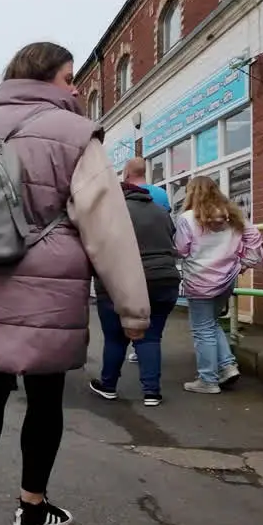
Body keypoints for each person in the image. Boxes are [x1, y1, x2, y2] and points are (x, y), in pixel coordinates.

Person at [0, 42, 150, 525]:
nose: (76, 88)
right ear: (49, 81)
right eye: (68, 77)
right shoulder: (76, 134)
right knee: (45, 397)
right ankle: (32, 509)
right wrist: (133, 309)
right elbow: (106, 227)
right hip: (45, 286)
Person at [88, 171, 181, 406]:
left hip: (119, 282)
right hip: (164, 279)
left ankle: (108, 385)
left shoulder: (110, 212)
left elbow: (95, 247)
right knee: (150, 337)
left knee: (116, 337)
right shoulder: (162, 212)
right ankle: (151, 392)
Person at [173, 176, 262, 394]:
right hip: (227, 279)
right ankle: (227, 366)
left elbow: (181, 250)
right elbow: (255, 238)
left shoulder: (187, 218)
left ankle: (208, 379)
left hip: (199, 281)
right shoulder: (233, 216)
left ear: (192, 193)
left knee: (202, 329)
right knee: (211, 323)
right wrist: (244, 264)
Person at [120, 158, 170, 364]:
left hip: (133, 262)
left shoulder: (121, 197)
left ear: (126, 174)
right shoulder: (161, 195)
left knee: (137, 313)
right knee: (154, 324)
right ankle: (147, 352)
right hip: (161, 262)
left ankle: (138, 348)